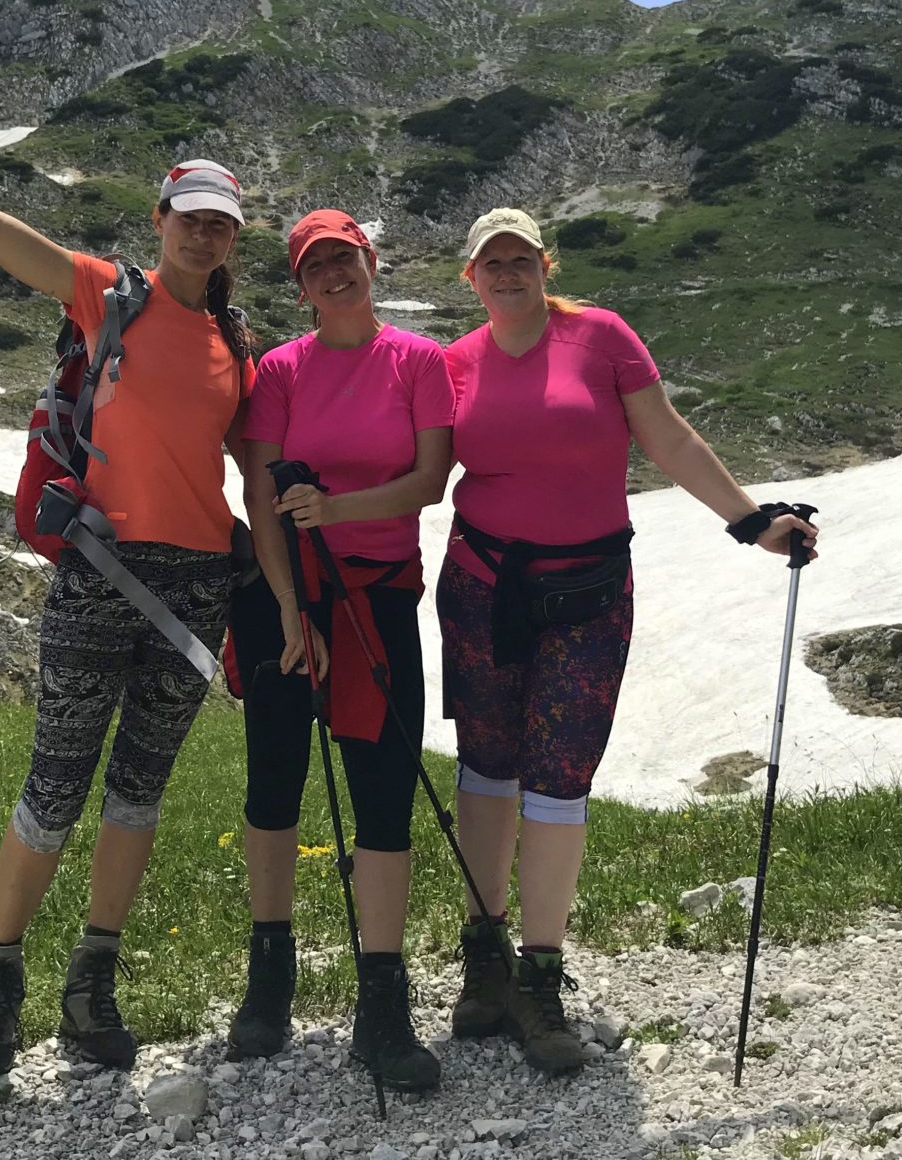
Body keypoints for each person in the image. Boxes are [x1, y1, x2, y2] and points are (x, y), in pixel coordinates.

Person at [0, 28, 257, 1076]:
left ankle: (92, 984)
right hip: (101, 573)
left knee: (137, 793)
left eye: (222, 227)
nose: (205, 238)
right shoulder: (106, 293)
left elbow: (253, 479)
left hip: (195, 591)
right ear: (160, 221)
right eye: (192, 221)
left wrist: (289, 598)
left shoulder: (237, 348)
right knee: (56, 780)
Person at [438, 207, 818, 1076]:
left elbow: (669, 436)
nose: (507, 273)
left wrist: (751, 521)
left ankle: (539, 975)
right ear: (471, 276)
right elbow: (419, 464)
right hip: (481, 589)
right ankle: (484, 959)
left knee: (559, 777)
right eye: (490, 262)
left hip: (589, 594)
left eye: (521, 258)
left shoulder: (602, 337)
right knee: (487, 768)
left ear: (545, 263)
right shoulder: (453, 363)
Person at [225, 210, 456, 1090]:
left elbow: (430, 482)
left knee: (385, 788)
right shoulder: (280, 371)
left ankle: (383, 1001)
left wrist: (337, 511)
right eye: (315, 265)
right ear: (300, 285)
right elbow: (260, 490)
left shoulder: (419, 361)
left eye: (344, 259)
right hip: (287, 595)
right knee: (275, 778)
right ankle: (270, 974)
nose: (333, 275)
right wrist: (289, 611)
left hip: (379, 594)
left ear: (370, 262)